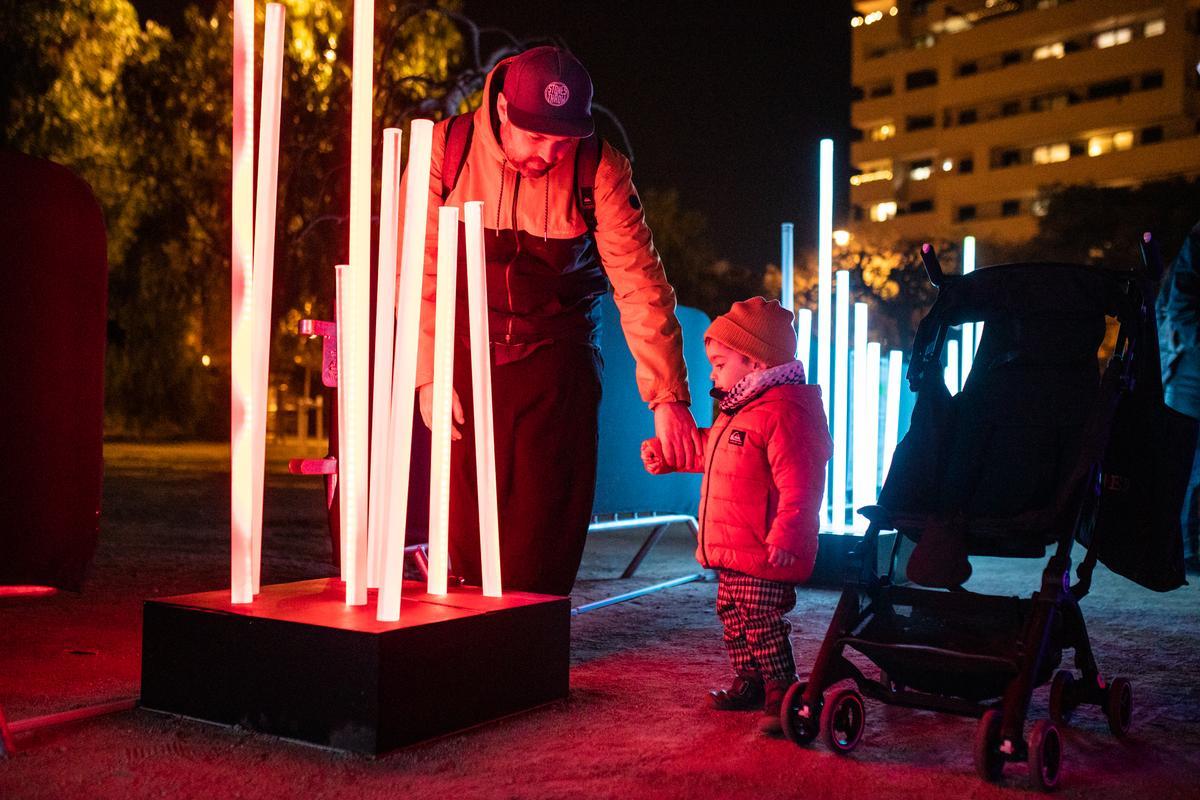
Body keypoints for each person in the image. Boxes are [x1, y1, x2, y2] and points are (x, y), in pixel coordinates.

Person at [401, 45, 700, 597]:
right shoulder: (448, 148)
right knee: (465, 532)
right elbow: (419, 270)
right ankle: (465, 653)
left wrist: (669, 400)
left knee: (544, 528)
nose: (549, 154)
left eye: (563, 140)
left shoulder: (599, 166)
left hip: (558, 357)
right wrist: (426, 374)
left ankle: (531, 650)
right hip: (467, 354)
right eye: (536, 137)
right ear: (504, 112)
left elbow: (640, 284)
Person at [641, 297, 832, 735]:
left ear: (754, 360)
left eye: (719, 363)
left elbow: (801, 483)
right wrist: (671, 457)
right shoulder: (742, 409)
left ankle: (783, 691)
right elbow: (715, 451)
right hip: (734, 549)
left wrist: (789, 534)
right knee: (733, 617)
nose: (712, 373)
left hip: (765, 549)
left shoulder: (788, 412)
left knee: (762, 622)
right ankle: (750, 681)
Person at [1157, 217, 1200, 574]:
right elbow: (1178, 306)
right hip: (1191, 373)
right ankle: (1185, 551)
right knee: (1189, 468)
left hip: (1187, 367)